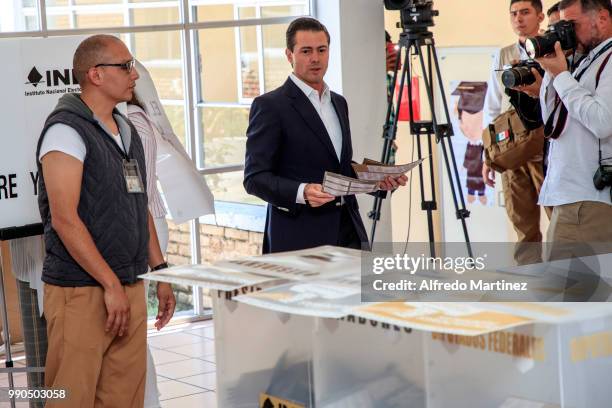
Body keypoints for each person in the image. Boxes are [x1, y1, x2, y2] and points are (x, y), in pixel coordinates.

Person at [36, 34, 176, 407]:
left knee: (124, 399)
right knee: (71, 398)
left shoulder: (125, 129)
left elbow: (139, 204)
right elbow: (65, 221)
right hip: (82, 291)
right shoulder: (65, 131)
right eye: (126, 66)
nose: (134, 75)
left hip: (127, 285)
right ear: (95, 75)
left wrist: (159, 272)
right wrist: (110, 285)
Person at [243, 17, 407, 254]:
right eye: (306, 51)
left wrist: (377, 181)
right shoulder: (270, 106)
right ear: (289, 55)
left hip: (348, 229)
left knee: (360, 292)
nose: (315, 58)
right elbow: (254, 178)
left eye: (321, 50)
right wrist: (302, 192)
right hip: (299, 237)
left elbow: (338, 169)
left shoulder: (339, 103)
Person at [535, 0, 612, 256]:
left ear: (601, 18)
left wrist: (562, 77)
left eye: (571, 25)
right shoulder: (588, 59)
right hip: (572, 195)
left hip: (588, 198)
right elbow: (554, 120)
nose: (564, 32)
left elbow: (603, 122)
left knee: (567, 292)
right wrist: (551, 70)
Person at [481, 0, 547, 265]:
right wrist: (488, 155)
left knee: (560, 220)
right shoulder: (503, 54)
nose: (518, 18)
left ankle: (566, 283)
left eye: (525, 12)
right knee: (523, 226)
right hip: (512, 147)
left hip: (546, 143)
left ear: (540, 16)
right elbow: (492, 106)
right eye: (514, 14)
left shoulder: (553, 48)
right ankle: (530, 283)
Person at [127, 96, 169, 408]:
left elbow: (137, 194)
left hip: (145, 227)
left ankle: (149, 402)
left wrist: (162, 271)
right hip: (139, 226)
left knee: (132, 333)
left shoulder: (132, 123)